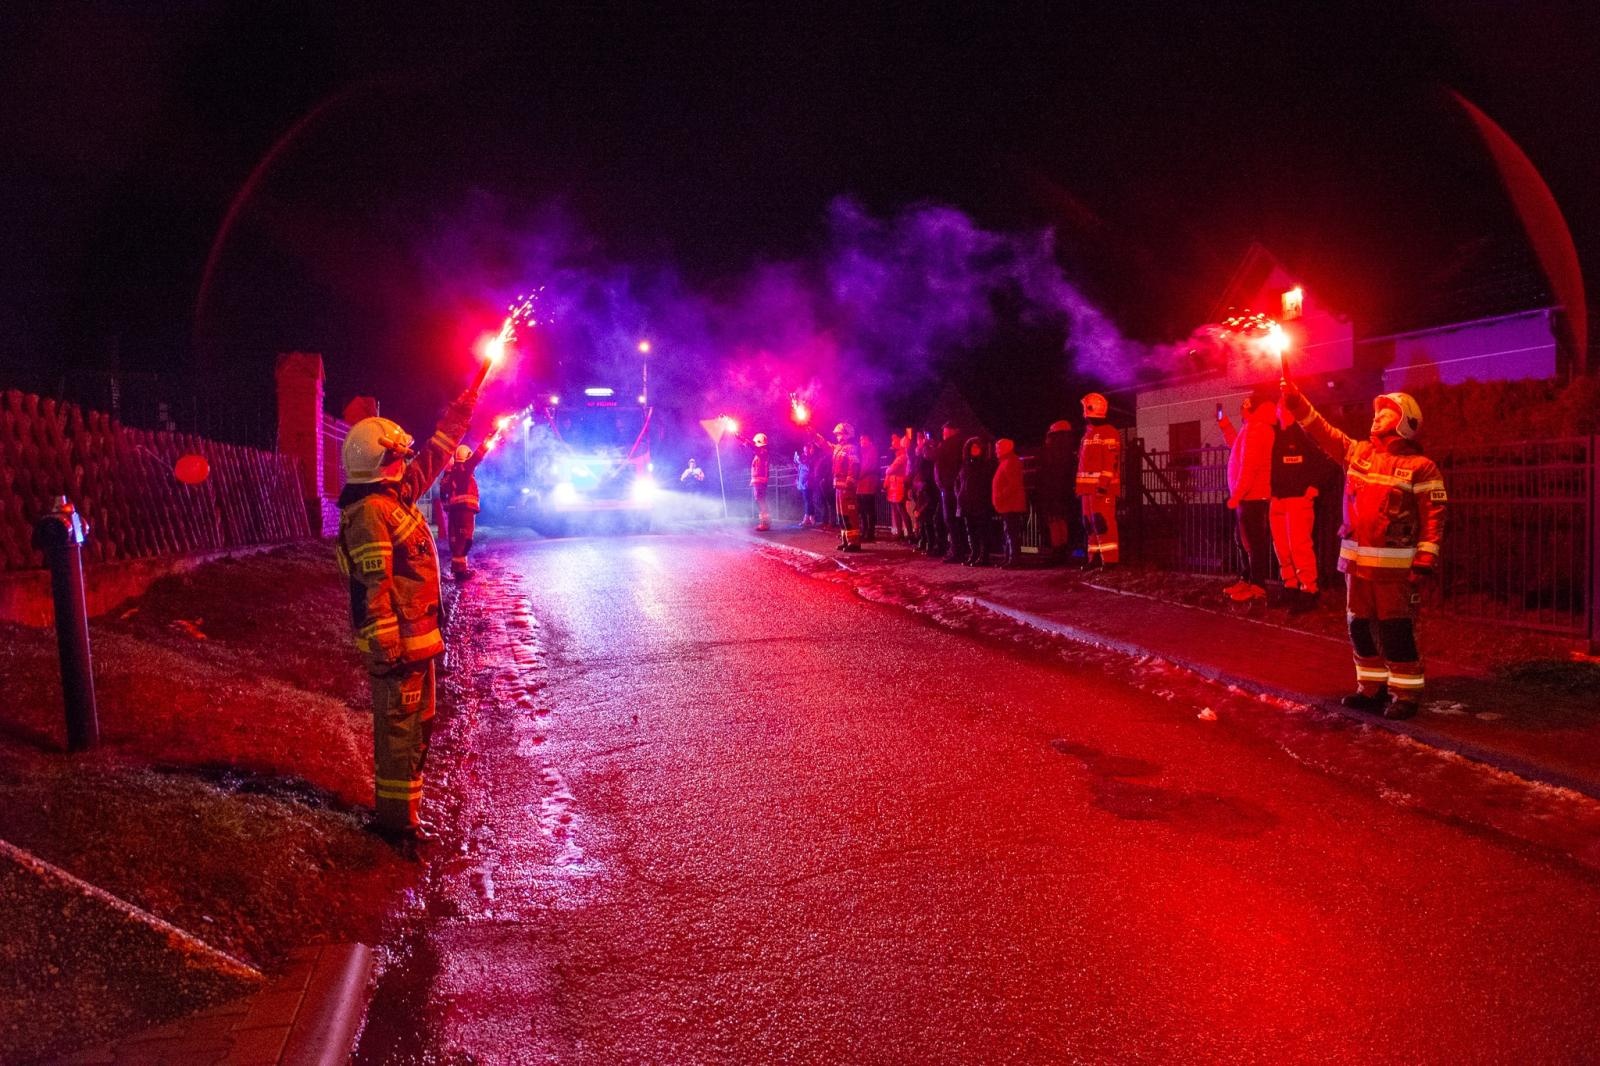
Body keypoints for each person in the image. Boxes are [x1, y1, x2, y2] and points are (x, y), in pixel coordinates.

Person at [336, 384, 479, 847]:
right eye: (397, 456)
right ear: (380, 463)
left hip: (420, 644)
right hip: (399, 650)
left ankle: (407, 819)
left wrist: (463, 407)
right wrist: (386, 646)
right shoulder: (370, 513)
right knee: (399, 738)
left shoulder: (392, 498)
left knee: (416, 733)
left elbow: (434, 457)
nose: (406, 463)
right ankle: (395, 827)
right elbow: (373, 588)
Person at [1283, 385, 1446, 720]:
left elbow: (1434, 515)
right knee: (1359, 628)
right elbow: (1322, 432)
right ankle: (1371, 689)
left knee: (1396, 630)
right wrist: (1299, 404)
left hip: (1395, 571)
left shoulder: (1421, 467)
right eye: (1376, 412)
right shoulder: (1358, 453)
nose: (1376, 418)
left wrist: (1426, 559)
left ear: (1406, 423)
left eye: (1386, 413)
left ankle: (1406, 694)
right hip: (1357, 568)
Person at [1216, 386, 1277, 601]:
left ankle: (1257, 585)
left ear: (1250, 409)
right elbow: (1236, 446)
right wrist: (1224, 425)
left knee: (1253, 542)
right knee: (1243, 540)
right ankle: (1247, 580)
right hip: (1247, 496)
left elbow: (1249, 467)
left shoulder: (1257, 429)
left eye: (1243, 407)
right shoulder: (1250, 428)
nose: (1241, 411)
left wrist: (1236, 495)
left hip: (1253, 497)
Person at [1269, 397, 1325, 613]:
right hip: (1278, 500)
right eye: (1279, 407)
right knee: (1282, 549)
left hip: (1298, 500)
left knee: (1299, 547)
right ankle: (1290, 586)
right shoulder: (1275, 435)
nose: (1281, 411)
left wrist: (1314, 486)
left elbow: (1324, 461)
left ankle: (1309, 590)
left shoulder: (1302, 435)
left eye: (1284, 408)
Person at [1075, 393, 1122, 567]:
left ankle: (1110, 561)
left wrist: (1103, 485)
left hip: (1102, 490)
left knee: (1103, 523)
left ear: (1091, 409)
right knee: (1090, 525)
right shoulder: (1087, 435)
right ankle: (1093, 559)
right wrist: (1080, 489)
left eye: (1085, 409)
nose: (1083, 413)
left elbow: (1111, 462)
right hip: (1087, 491)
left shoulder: (1109, 433)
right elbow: (1083, 465)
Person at [441, 437, 494, 581]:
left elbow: (443, 490)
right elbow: (478, 456)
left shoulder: (450, 474)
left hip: (454, 512)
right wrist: (489, 439)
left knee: (455, 540)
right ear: (466, 457)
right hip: (465, 511)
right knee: (465, 539)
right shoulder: (465, 468)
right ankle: (460, 573)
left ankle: (459, 569)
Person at [1036, 419, 1076, 565]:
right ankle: (1063, 550)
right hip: (1064, 491)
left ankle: (1057, 551)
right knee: (1062, 521)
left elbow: (1045, 473)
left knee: (1054, 521)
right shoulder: (1069, 451)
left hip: (1052, 491)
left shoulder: (1051, 451)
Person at [955, 435, 994, 566]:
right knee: (970, 530)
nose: (975, 449)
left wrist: (984, 498)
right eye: (973, 447)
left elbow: (988, 484)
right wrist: (959, 494)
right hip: (967, 503)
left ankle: (984, 556)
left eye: (977, 447)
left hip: (981, 503)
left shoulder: (986, 465)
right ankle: (974, 553)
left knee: (982, 530)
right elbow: (958, 482)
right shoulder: (965, 465)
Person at [825, 422, 862, 551]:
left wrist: (850, 482)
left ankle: (854, 543)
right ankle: (846, 540)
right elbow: (825, 445)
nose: (837, 436)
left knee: (850, 514)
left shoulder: (851, 448)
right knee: (841, 515)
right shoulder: (838, 448)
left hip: (847, 487)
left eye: (839, 434)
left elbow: (854, 466)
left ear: (847, 434)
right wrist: (813, 434)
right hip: (839, 487)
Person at [992, 437, 1026, 568]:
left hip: (1011, 505)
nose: (996, 451)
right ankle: (1009, 558)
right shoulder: (1006, 461)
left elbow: (1013, 484)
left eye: (998, 448)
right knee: (1009, 532)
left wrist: (1000, 496)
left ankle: (1014, 559)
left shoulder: (1010, 462)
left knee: (1011, 533)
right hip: (1008, 505)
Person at [934, 423, 966, 563]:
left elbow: (938, 461)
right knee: (956, 519)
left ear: (951, 430)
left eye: (945, 429)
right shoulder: (961, 444)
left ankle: (956, 550)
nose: (943, 431)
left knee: (950, 519)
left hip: (948, 487)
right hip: (954, 486)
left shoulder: (949, 445)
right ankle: (961, 549)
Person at [884, 435, 910, 540]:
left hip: (899, 486)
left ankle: (909, 532)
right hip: (894, 487)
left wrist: (889, 469)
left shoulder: (902, 457)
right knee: (896, 510)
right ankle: (900, 532)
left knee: (901, 509)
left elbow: (890, 470)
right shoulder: (898, 457)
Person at [856, 432, 880, 542]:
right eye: (860, 440)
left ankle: (870, 532)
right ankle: (864, 530)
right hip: (862, 485)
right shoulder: (862, 452)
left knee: (868, 510)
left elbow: (869, 466)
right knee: (862, 510)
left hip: (868, 484)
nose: (861, 442)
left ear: (868, 440)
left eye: (863, 439)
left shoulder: (872, 451)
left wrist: (858, 475)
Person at [750, 432, 771, 531]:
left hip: (760, 481)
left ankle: (765, 523)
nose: (754, 444)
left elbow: (754, 448)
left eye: (755, 443)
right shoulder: (762, 453)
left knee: (760, 501)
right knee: (760, 501)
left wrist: (744, 440)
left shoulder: (763, 453)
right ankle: (764, 522)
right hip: (758, 481)